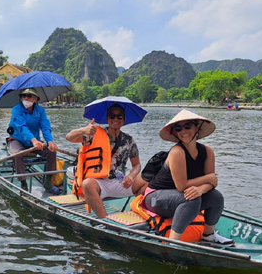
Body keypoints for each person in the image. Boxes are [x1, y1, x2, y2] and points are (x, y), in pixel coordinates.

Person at [143, 109, 234, 246]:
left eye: (187, 126)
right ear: (175, 132)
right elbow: (182, 185)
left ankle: (208, 236)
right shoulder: (177, 152)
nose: (183, 131)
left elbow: (212, 182)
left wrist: (201, 189)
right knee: (191, 198)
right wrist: (206, 179)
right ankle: (173, 243)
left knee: (216, 197)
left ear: (197, 127)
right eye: (178, 129)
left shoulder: (207, 151)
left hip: (179, 196)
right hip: (155, 198)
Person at [65, 104, 143, 218]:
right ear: (107, 119)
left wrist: (131, 176)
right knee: (87, 184)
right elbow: (69, 137)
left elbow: (137, 165)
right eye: (112, 116)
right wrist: (83, 130)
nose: (115, 119)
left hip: (120, 182)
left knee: (148, 179)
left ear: (124, 120)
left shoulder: (129, 140)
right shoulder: (94, 134)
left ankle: (135, 213)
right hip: (98, 183)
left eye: (119, 117)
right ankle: (105, 220)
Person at [6, 88, 61, 194]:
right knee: (17, 154)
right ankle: (23, 183)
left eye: (29, 96)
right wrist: (34, 140)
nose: (25, 98)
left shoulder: (40, 111)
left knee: (51, 152)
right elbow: (21, 127)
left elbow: (45, 127)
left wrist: (50, 142)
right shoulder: (16, 110)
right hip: (17, 139)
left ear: (35, 99)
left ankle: (48, 182)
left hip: (34, 142)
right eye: (23, 96)